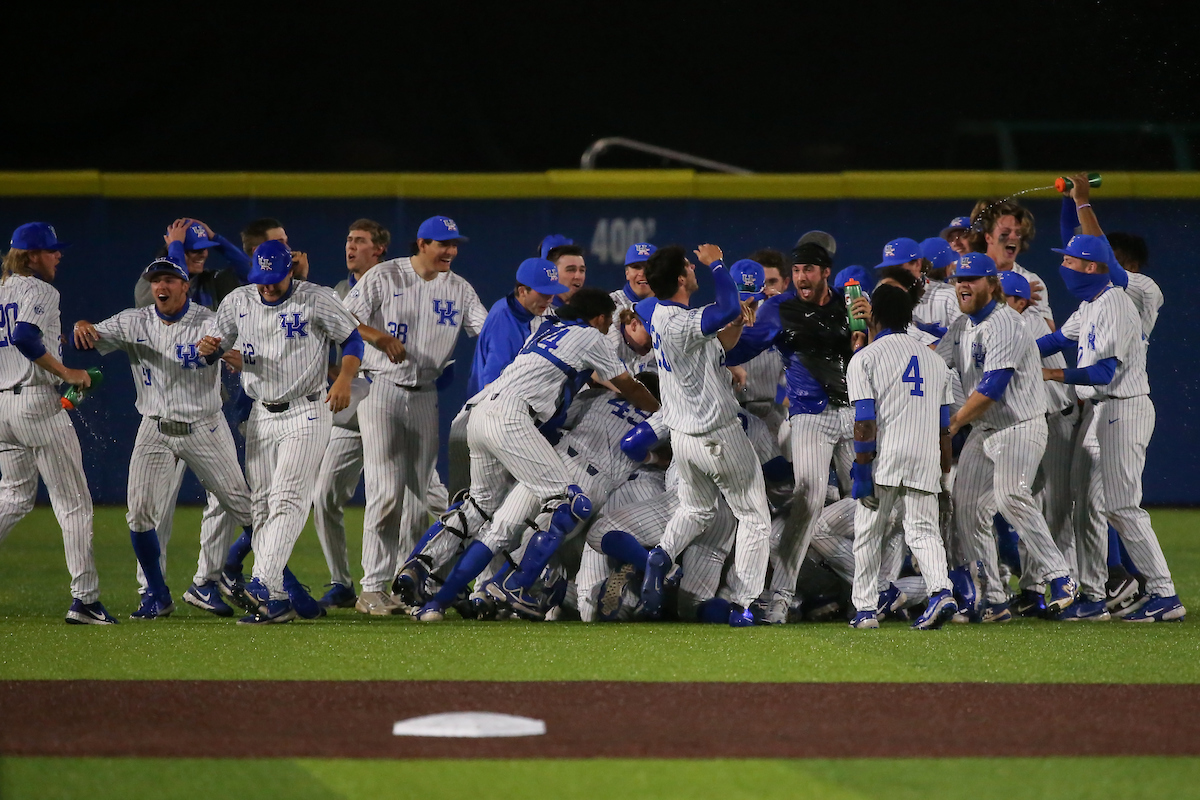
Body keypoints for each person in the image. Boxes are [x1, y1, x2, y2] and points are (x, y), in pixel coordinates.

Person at [413, 287, 660, 622]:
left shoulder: (567, 358)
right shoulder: (653, 415)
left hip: (542, 452)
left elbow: (561, 421)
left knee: (497, 529)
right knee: (560, 515)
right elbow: (633, 402)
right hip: (579, 474)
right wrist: (658, 413)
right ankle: (511, 586)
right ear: (600, 317)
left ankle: (437, 602)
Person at [74, 258, 257, 620]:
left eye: (170, 280)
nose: (162, 286)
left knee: (248, 512)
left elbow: (237, 352)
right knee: (139, 514)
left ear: (185, 286)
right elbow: (88, 338)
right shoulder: (134, 321)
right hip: (154, 428)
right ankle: (156, 595)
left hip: (204, 427)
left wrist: (220, 351)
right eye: (156, 280)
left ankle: (230, 568)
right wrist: (81, 326)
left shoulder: (209, 321)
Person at [1037, 183, 1183, 622]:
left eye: (1074, 259)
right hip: (1101, 411)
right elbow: (1053, 340)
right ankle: (1095, 592)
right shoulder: (1091, 304)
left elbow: (1102, 373)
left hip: (1123, 405)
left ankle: (1164, 594)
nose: (1064, 264)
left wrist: (1082, 200)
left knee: (1121, 505)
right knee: (1088, 505)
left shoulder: (1134, 292)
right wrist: (1006, 352)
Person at [197, 239, 364, 623]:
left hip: (307, 410)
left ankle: (263, 582)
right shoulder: (238, 301)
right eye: (262, 278)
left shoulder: (316, 299)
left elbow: (352, 338)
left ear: (290, 271)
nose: (268, 286)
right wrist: (208, 349)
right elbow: (215, 346)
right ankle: (274, 601)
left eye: (275, 279)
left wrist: (345, 378)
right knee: (261, 506)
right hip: (262, 413)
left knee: (289, 498)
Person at [341, 215, 485, 615]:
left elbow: (486, 329)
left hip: (425, 395)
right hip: (381, 389)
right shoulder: (384, 276)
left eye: (454, 245)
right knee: (386, 492)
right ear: (422, 243)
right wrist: (378, 336)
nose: (451, 251)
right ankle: (371, 588)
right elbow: (342, 318)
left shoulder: (459, 288)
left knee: (425, 492)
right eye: (443, 244)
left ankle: (412, 581)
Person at [637, 243, 771, 628]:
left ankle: (662, 554)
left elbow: (719, 343)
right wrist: (717, 264)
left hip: (684, 439)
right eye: (688, 266)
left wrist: (737, 323)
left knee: (697, 510)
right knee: (754, 518)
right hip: (717, 436)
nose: (694, 268)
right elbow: (724, 308)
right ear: (681, 278)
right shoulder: (680, 323)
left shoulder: (661, 313)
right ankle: (743, 606)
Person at [937, 253, 1077, 622]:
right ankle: (994, 599)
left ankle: (1060, 575)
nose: (963, 285)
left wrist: (953, 424)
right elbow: (934, 363)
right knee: (966, 509)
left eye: (972, 279)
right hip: (985, 430)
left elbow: (992, 388)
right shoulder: (961, 326)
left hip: (1021, 425)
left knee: (1011, 494)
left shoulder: (1006, 323)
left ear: (992, 284)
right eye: (958, 279)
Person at [0, 222, 114, 624]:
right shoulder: (40, 289)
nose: (58, 255)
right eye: (51, 250)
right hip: (36, 404)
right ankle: (85, 601)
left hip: (2, 407)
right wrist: (66, 372)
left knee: (13, 497)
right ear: (31, 257)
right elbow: (25, 337)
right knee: (74, 504)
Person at [845, 283, 957, 630]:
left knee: (869, 532)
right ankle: (940, 591)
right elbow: (944, 429)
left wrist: (862, 467)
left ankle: (865, 610)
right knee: (924, 532)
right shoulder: (936, 361)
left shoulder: (865, 358)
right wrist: (944, 476)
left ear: (874, 316)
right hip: (925, 456)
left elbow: (865, 421)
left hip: (886, 457)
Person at [312, 219, 389, 609]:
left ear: (378, 250)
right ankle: (341, 582)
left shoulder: (396, 284)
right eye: (348, 239)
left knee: (426, 497)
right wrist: (334, 373)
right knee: (323, 496)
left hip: (389, 401)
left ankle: (434, 574)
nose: (351, 246)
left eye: (360, 240)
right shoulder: (337, 292)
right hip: (351, 401)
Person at [448, 256, 573, 496]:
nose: (549, 299)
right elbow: (493, 386)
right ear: (522, 291)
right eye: (543, 293)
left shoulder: (535, 314)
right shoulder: (504, 318)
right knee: (471, 505)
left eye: (552, 293)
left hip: (501, 423)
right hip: (487, 422)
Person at [997, 271, 1076, 618]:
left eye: (1003, 296)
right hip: (1037, 420)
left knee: (1057, 509)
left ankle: (1073, 584)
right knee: (1028, 504)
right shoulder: (1007, 322)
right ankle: (1032, 588)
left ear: (1020, 302)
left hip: (1059, 419)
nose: (996, 302)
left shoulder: (1026, 322)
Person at [968, 199, 1054, 329]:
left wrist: (1023, 307)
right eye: (1005, 233)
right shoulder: (967, 271)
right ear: (988, 237)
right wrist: (1009, 296)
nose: (1013, 237)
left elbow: (1048, 331)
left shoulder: (1031, 281)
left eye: (1018, 233)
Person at [1107, 231, 1162, 341]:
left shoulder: (1147, 287)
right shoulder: (1093, 302)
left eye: (1112, 262)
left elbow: (1118, 277)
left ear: (1132, 266)